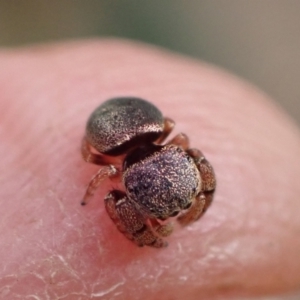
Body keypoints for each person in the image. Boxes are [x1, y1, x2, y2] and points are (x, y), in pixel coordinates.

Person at [1, 39, 300, 299]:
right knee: (112, 198)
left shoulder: (165, 148)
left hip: (133, 122)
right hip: (130, 123)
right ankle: (145, 237)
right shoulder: (117, 164)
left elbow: (190, 156)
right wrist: (142, 234)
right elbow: (98, 172)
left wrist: (199, 197)